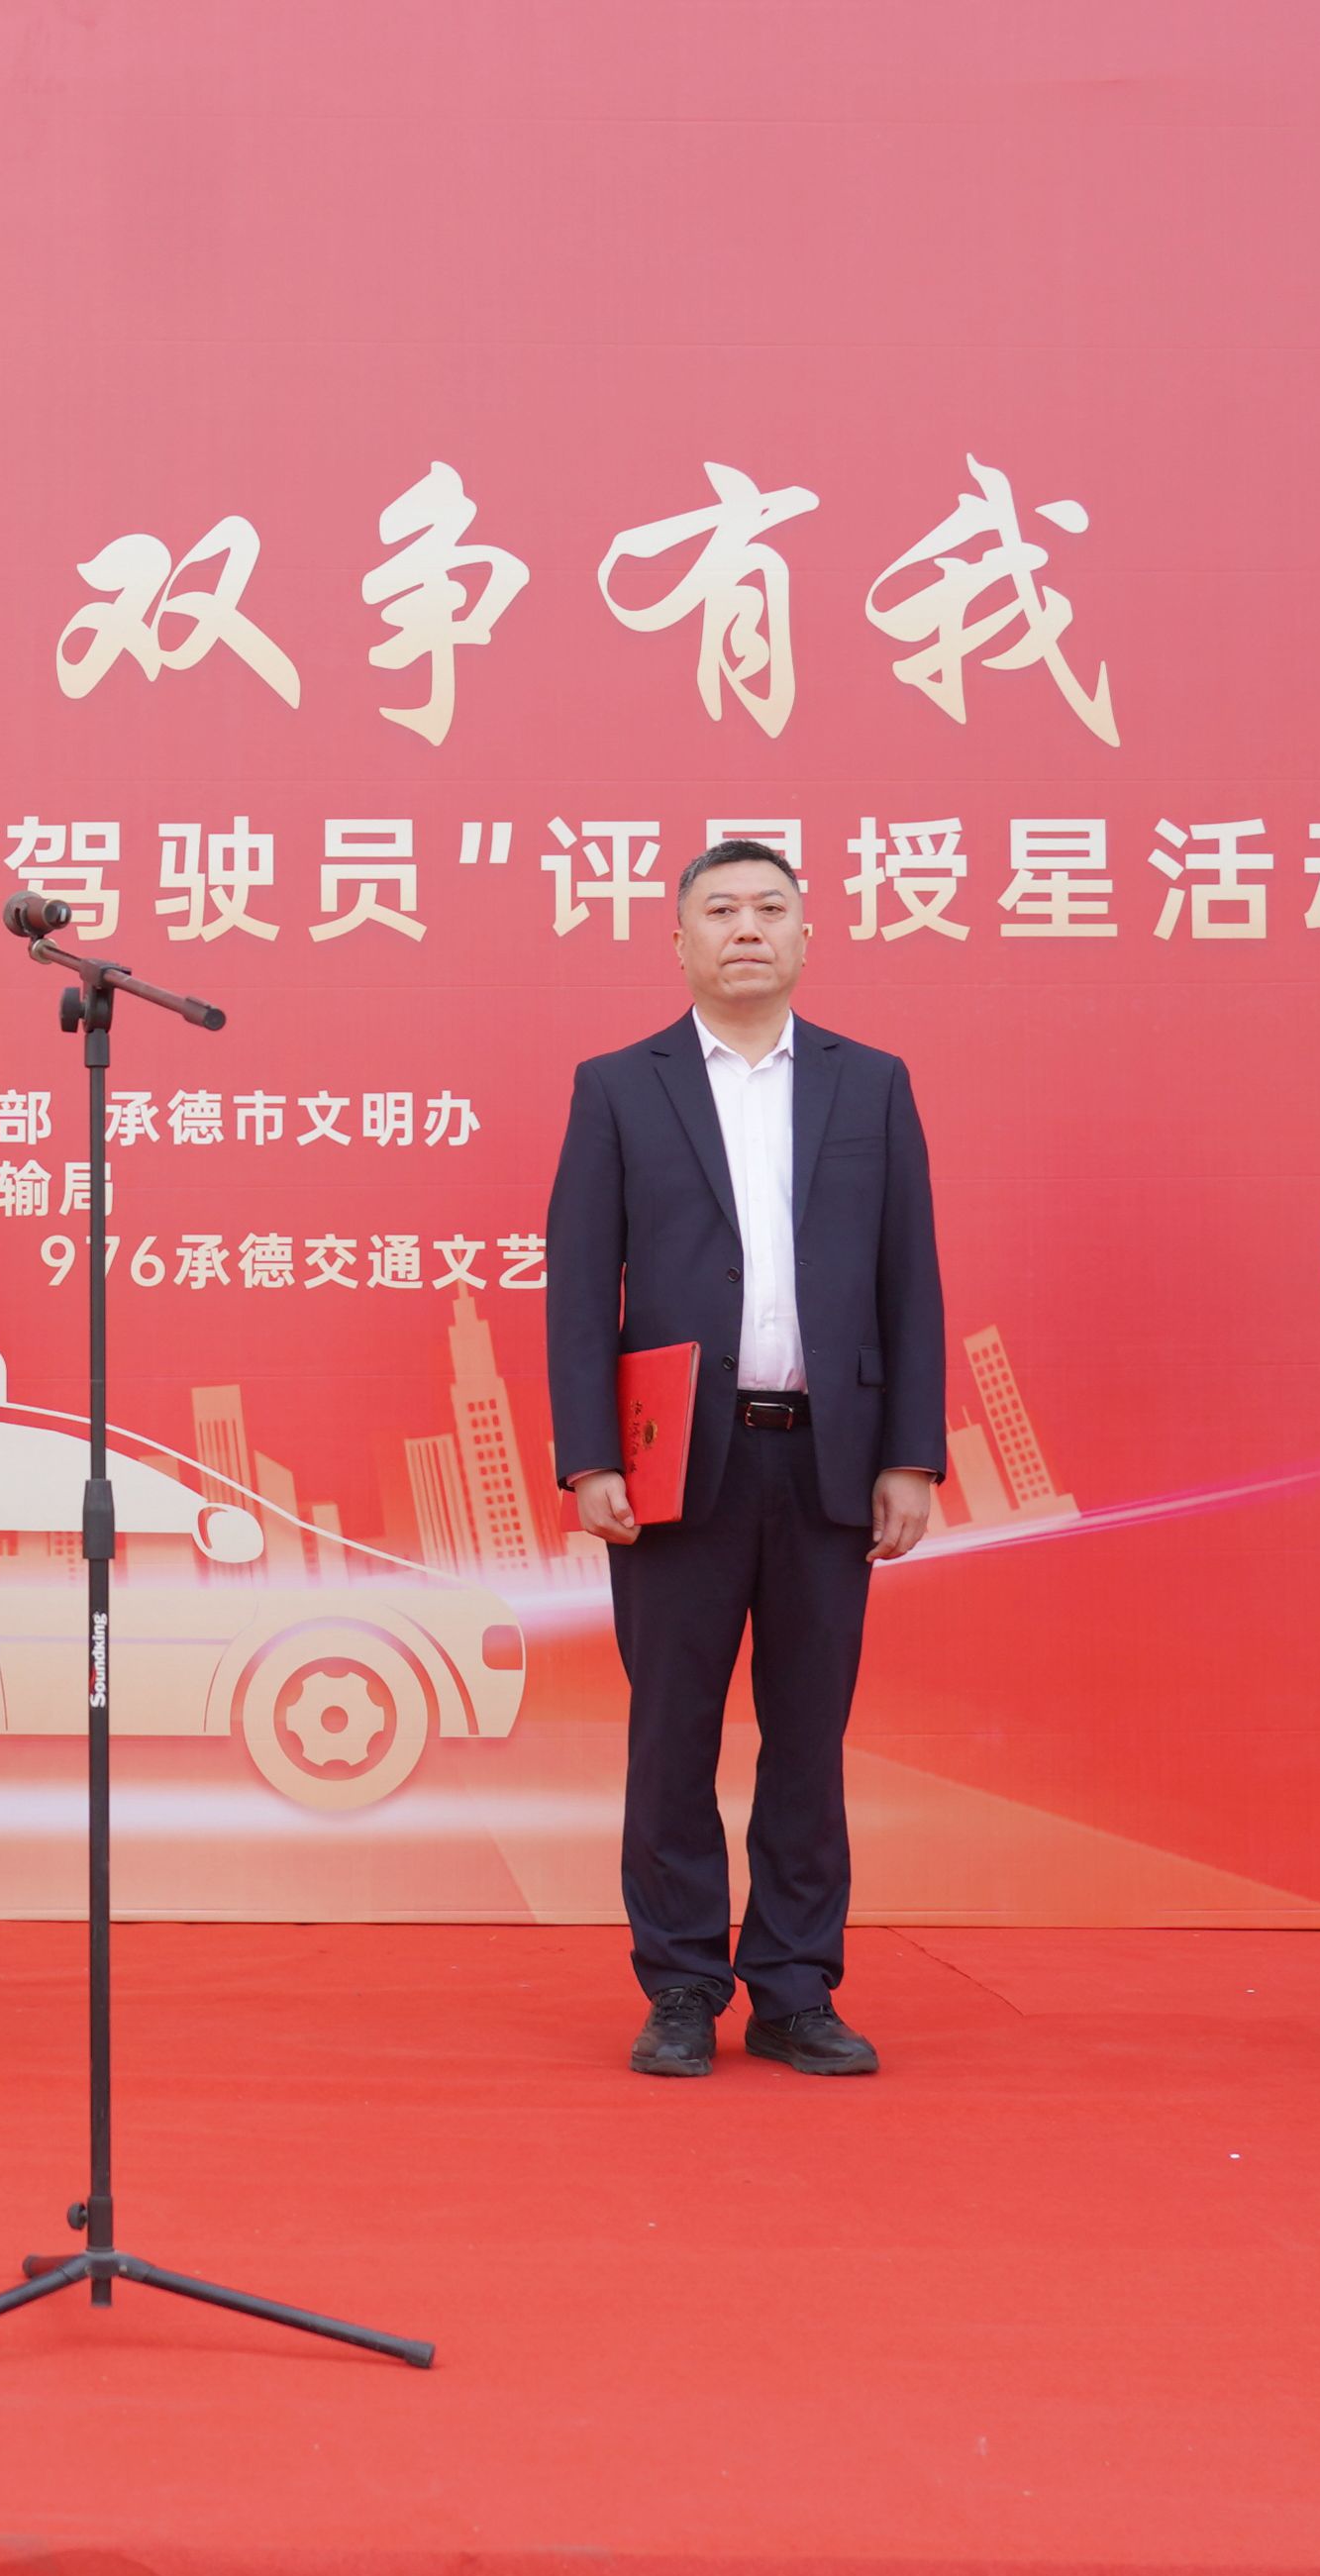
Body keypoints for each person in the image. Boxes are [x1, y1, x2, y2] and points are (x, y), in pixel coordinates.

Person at [543, 840, 946, 2080]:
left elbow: (910, 1279)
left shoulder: (870, 1084)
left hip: (827, 1457)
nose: (747, 927)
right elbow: (579, 1287)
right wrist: (589, 1456)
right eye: (719, 909)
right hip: (678, 1464)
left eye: (771, 906)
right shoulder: (619, 1086)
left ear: (807, 935)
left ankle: (794, 1986)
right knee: (671, 1733)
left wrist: (910, 1454)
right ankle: (679, 1982)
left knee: (808, 1737)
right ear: (679, 942)